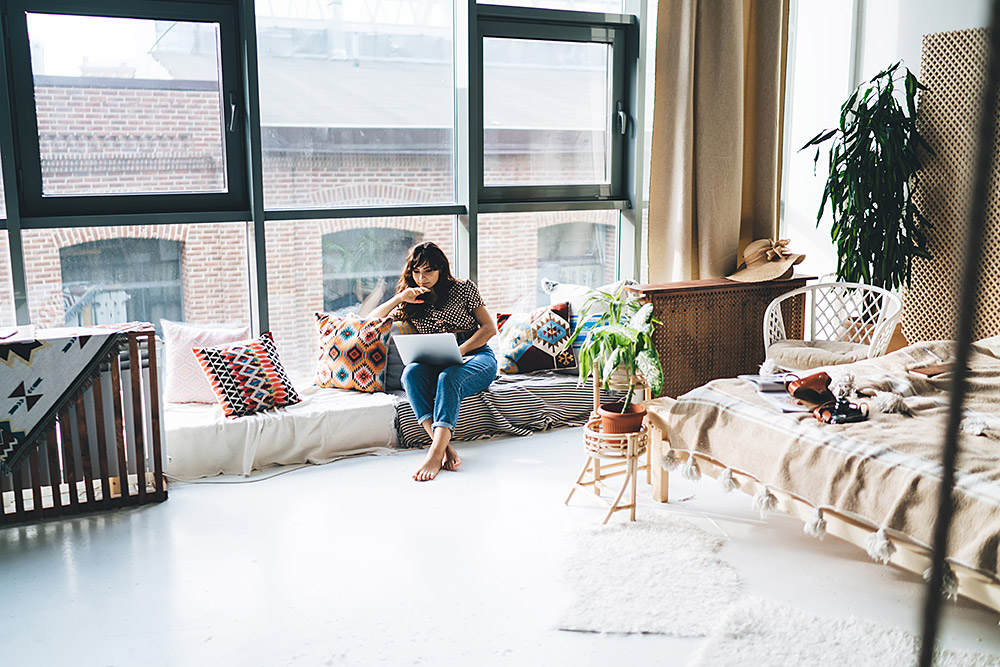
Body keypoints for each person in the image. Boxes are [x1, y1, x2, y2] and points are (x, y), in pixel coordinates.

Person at [368, 242, 498, 481]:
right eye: (416, 272)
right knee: (410, 374)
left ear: (441, 268)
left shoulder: (464, 288)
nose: (422, 278)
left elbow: (490, 328)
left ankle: (434, 452)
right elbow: (369, 320)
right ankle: (444, 447)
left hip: (476, 354)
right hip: (437, 356)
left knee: (449, 377)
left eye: (428, 271)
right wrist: (400, 298)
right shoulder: (412, 299)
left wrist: (460, 350)